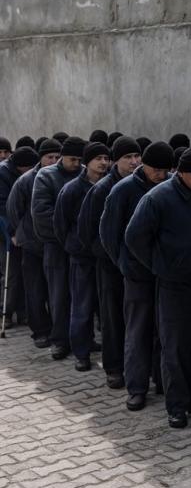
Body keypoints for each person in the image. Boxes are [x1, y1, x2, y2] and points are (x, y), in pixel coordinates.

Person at [126, 147, 191, 429]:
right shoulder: (158, 198)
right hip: (175, 287)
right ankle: (178, 406)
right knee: (176, 348)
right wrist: (162, 265)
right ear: (180, 173)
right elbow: (134, 237)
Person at [101, 142, 173, 411]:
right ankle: (137, 387)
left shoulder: (169, 186)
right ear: (144, 166)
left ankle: (162, 381)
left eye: (166, 170)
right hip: (137, 275)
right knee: (138, 330)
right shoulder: (123, 191)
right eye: (157, 170)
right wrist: (125, 265)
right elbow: (109, 235)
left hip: (166, 274)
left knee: (164, 331)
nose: (161, 175)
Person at [78, 136, 141, 389]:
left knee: (137, 320)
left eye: (137, 156)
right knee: (112, 318)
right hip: (110, 266)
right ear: (116, 160)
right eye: (128, 157)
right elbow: (88, 232)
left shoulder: (142, 185)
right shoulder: (102, 189)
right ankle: (114, 368)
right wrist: (113, 256)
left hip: (138, 267)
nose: (134, 162)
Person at [55, 142, 110, 371]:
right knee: (82, 305)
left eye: (106, 158)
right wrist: (75, 245)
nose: (103, 163)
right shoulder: (71, 190)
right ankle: (81, 352)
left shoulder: (110, 187)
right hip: (82, 257)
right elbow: (60, 225)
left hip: (105, 257)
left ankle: (101, 346)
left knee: (105, 307)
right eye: (98, 158)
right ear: (87, 162)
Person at [32, 136, 86, 360]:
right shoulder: (46, 176)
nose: (76, 164)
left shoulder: (85, 174)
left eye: (79, 160)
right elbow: (41, 213)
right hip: (56, 246)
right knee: (59, 294)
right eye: (72, 159)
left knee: (82, 296)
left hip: (80, 246)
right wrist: (67, 233)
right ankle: (60, 340)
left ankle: (83, 338)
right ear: (63, 157)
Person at [6, 139, 59, 346]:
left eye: (57, 157)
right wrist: (19, 232)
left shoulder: (62, 178)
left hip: (54, 245)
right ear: (41, 158)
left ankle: (58, 330)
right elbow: (13, 209)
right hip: (31, 245)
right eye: (49, 157)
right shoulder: (26, 180)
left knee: (57, 291)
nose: (54, 161)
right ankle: (40, 331)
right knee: (35, 290)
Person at [0, 147, 40, 328]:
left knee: (24, 273)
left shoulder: (24, 175)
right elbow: (4, 208)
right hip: (5, 229)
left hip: (22, 229)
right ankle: (6, 311)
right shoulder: (3, 174)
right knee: (11, 273)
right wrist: (12, 232)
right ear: (20, 167)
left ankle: (23, 311)